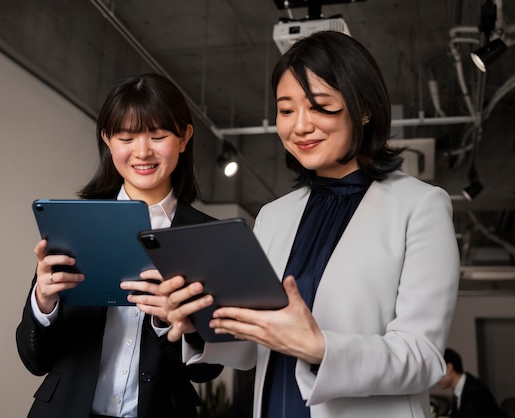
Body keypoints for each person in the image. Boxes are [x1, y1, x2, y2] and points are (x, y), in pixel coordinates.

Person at [133, 31, 461, 418]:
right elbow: (253, 344)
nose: (299, 126)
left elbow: (422, 358)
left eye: (320, 106)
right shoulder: (274, 215)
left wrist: (320, 347)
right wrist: (197, 323)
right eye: (286, 111)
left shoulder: (420, 206)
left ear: (364, 109)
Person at [15, 73, 223, 418]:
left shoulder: (207, 235)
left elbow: (206, 371)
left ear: (184, 137)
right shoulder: (76, 224)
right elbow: (34, 360)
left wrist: (167, 322)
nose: (142, 152)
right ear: (108, 140)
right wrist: (44, 301)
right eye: (126, 137)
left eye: (158, 136)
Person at [438, 348, 504, 418]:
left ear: (449, 368)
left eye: (437, 371)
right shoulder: (464, 387)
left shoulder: (474, 391)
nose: (435, 378)